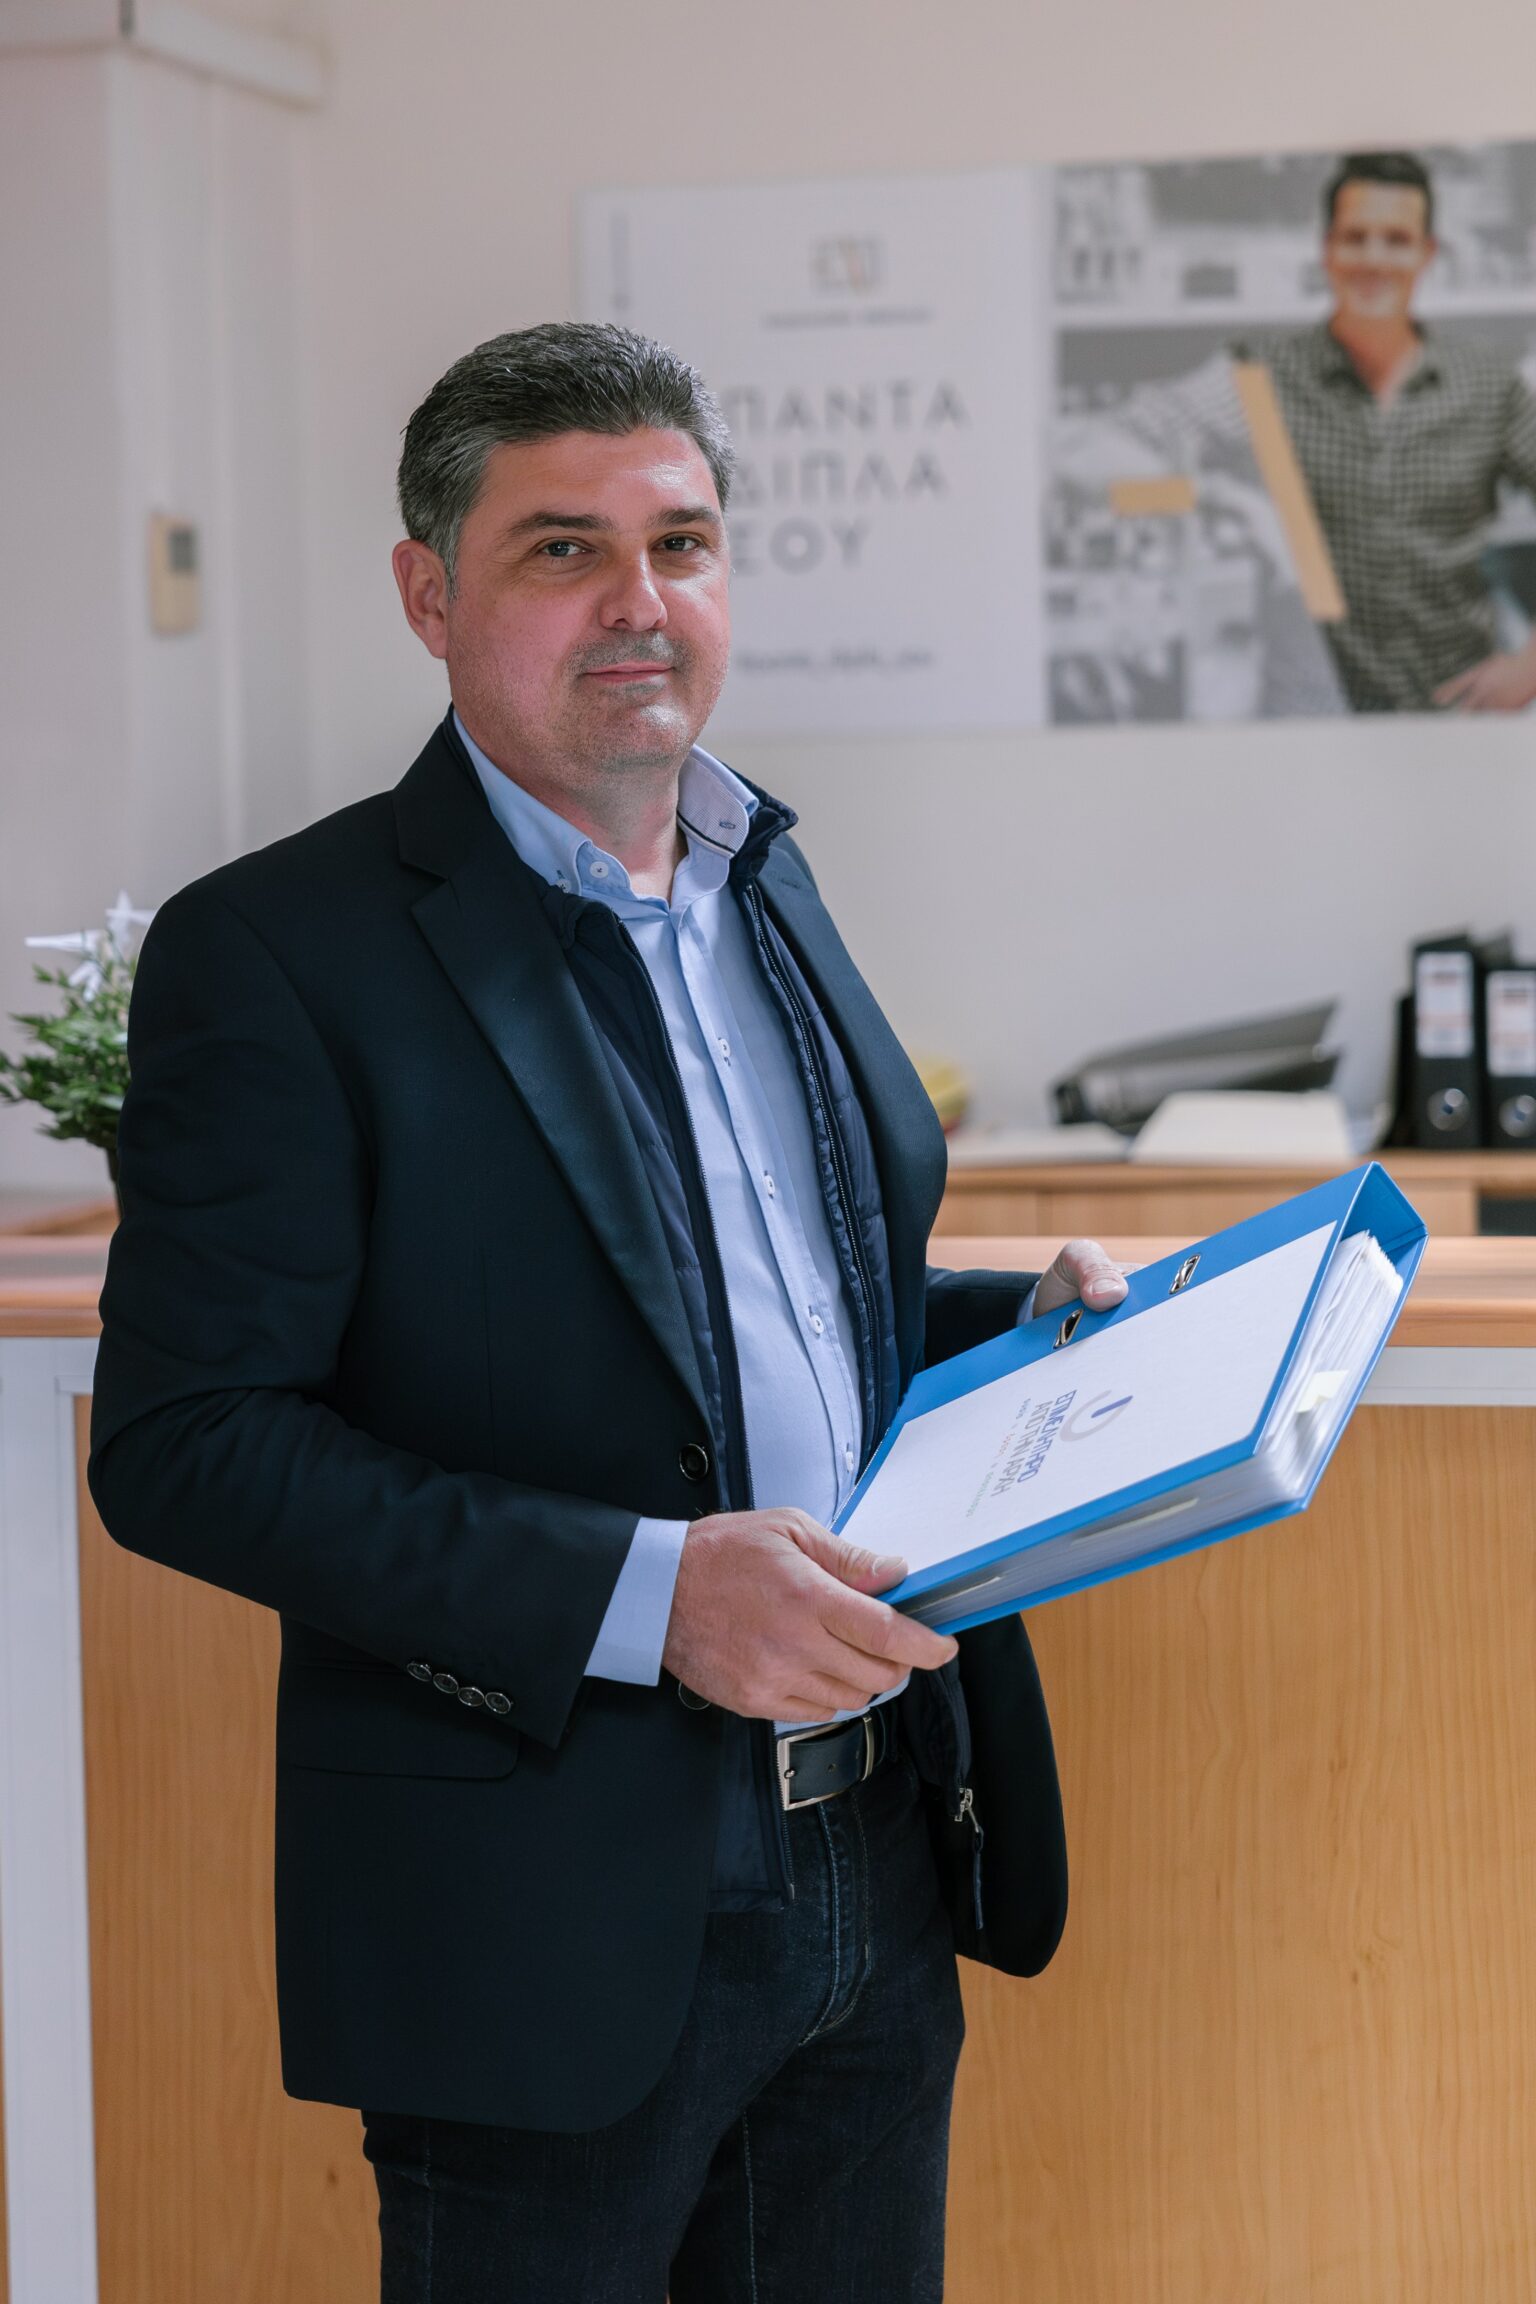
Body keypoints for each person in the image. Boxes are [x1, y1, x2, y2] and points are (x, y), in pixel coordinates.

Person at [88, 321, 1127, 2304]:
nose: (640, 601)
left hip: (877, 1857)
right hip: (543, 1916)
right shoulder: (281, 953)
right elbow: (187, 1443)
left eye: (682, 543)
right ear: (431, 594)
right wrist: (654, 1596)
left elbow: (765, 1296)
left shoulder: (759, 876)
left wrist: (1027, 1324)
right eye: (563, 549)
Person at [1061, 151, 1536, 715]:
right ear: (1326, 249)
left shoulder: (1486, 387)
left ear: (1427, 253)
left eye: (1396, 240)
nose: (1374, 259)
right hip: (1312, 716)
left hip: (1453, 715)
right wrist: (1220, 499)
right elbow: (1081, 464)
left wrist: (1529, 670)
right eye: (1355, 238)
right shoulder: (1262, 379)